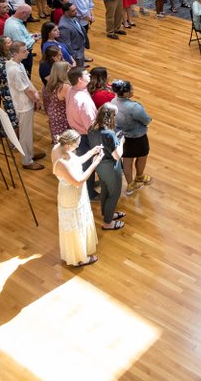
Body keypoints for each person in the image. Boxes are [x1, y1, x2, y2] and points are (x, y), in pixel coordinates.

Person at [51, 129, 103, 267]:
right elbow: (78, 181)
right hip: (71, 195)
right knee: (75, 225)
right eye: (76, 145)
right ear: (68, 144)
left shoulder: (60, 148)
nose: (78, 147)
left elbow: (76, 161)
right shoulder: (61, 163)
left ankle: (78, 252)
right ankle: (79, 258)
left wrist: (91, 152)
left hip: (76, 193)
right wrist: (95, 163)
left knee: (78, 223)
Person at [85, 103, 126, 230]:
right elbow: (117, 156)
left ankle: (107, 213)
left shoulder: (91, 127)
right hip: (110, 166)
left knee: (105, 190)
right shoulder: (109, 134)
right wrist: (121, 142)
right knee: (114, 193)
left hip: (98, 163)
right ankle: (108, 223)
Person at [5, 42, 44, 170]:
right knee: (25, 133)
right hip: (24, 105)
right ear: (15, 53)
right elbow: (26, 89)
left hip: (25, 102)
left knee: (27, 132)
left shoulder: (16, 63)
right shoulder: (15, 70)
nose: (27, 52)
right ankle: (26, 160)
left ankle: (30, 154)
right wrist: (36, 100)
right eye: (24, 51)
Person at [111, 80, 153, 193]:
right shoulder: (134, 107)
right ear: (125, 93)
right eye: (131, 90)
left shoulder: (113, 101)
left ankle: (130, 184)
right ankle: (140, 176)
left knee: (127, 159)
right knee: (142, 156)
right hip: (138, 137)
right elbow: (146, 120)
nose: (132, 91)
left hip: (122, 138)